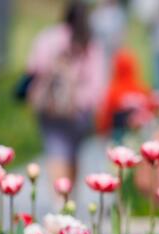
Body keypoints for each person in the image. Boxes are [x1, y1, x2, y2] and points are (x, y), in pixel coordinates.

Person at [26, 1, 105, 196]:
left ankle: (59, 200)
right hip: (77, 111)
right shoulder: (90, 43)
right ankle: (68, 199)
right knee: (71, 153)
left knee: (56, 150)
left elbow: (33, 68)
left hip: (48, 107)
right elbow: (97, 85)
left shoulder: (48, 37)